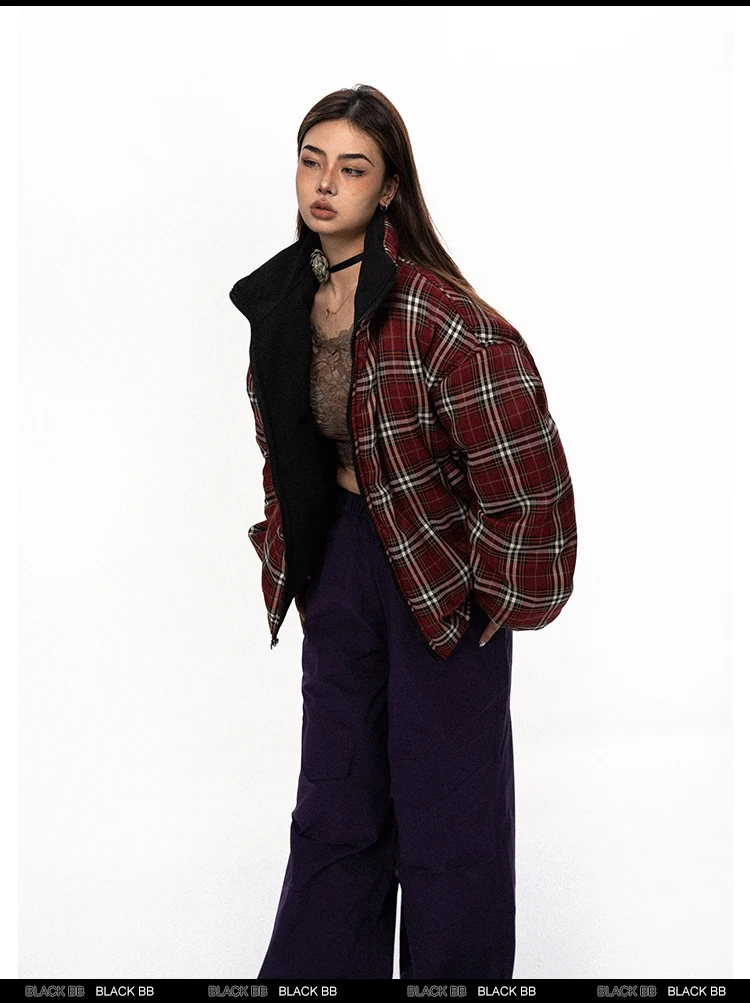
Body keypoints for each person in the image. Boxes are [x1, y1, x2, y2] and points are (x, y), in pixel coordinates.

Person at [229, 84, 577, 980]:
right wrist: (293, 549)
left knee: (448, 819)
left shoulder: (441, 317)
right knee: (335, 803)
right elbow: (282, 446)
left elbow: (530, 477)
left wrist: (496, 600)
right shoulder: (283, 300)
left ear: (387, 189)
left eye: (352, 169)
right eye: (311, 161)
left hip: (437, 572)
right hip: (339, 559)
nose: (324, 184)